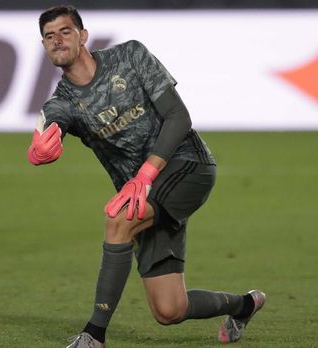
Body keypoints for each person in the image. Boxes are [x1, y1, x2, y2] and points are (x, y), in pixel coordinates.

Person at [27, 5, 265, 348]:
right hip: (141, 194)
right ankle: (245, 304)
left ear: (83, 35)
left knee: (118, 221)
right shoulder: (62, 102)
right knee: (169, 309)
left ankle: (94, 335)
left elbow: (179, 117)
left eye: (65, 31)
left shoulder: (130, 56)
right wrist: (40, 148)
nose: (57, 40)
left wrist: (147, 172)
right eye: (49, 36)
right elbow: (50, 124)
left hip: (187, 166)